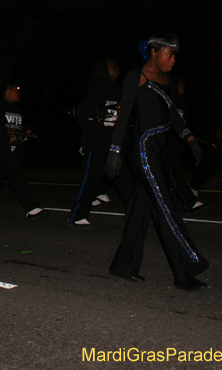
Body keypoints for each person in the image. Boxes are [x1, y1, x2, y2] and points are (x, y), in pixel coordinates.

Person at [105, 33, 208, 291]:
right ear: (154, 51)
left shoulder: (168, 80)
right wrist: (114, 151)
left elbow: (172, 114)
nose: (173, 60)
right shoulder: (136, 76)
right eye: (169, 54)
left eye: (174, 56)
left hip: (159, 152)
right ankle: (185, 270)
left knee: (141, 212)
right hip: (143, 151)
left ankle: (123, 265)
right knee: (166, 208)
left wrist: (190, 138)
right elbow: (125, 114)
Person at [69, 58, 126, 227]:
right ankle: (77, 215)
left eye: (116, 65)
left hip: (113, 143)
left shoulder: (118, 90)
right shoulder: (96, 91)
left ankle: (100, 193)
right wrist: (96, 119)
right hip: (96, 142)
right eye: (111, 66)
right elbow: (81, 114)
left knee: (122, 174)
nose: (116, 67)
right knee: (90, 179)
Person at [0, 84, 47, 221]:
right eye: (16, 91)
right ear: (7, 92)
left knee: (19, 181)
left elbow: (21, 127)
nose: (19, 93)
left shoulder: (17, 110)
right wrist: (5, 138)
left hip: (14, 154)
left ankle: (31, 208)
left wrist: (28, 131)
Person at [164, 78, 206, 213]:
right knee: (175, 173)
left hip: (174, 145)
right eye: (180, 84)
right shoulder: (167, 101)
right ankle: (189, 202)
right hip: (164, 144)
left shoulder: (181, 104)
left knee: (164, 175)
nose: (183, 87)